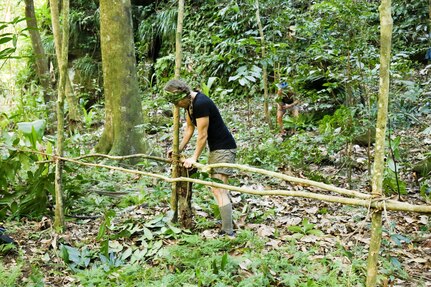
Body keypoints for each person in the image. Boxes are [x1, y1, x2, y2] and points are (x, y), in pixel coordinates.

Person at [164, 79, 237, 237]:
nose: (177, 106)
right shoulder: (189, 105)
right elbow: (190, 129)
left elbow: (202, 135)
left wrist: (194, 158)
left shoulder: (200, 103)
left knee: (218, 188)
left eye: (177, 102)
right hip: (217, 148)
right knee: (219, 188)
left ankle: (228, 232)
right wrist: (177, 149)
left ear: (182, 95)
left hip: (224, 148)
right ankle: (228, 224)